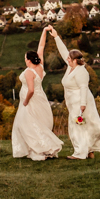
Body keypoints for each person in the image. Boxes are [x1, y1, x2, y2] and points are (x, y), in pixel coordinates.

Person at [46, 25, 100, 160]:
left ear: (75, 60)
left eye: (69, 59)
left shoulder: (81, 71)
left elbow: (83, 88)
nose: (67, 60)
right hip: (72, 102)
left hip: (81, 102)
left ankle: (80, 153)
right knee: (85, 125)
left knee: (77, 126)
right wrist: (56, 37)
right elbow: (64, 52)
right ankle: (89, 151)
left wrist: (82, 105)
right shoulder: (70, 66)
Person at [11, 29, 63, 161]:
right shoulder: (40, 66)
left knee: (26, 125)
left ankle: (39, 149)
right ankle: (43, 148)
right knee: (38, 124)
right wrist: (44, 31)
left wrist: (25, 101)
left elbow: (31, 90)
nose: (24, 59)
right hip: (41, 99)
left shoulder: (29, 72)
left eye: (24, 58)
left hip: (31, 101)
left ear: (28, 60)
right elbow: (41, 46)